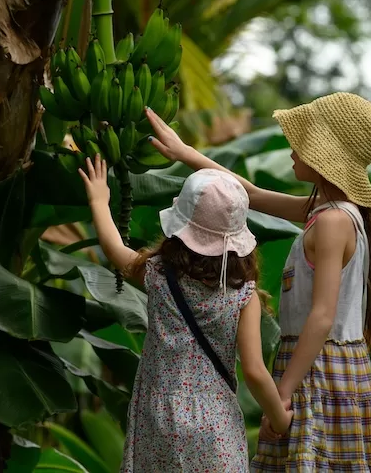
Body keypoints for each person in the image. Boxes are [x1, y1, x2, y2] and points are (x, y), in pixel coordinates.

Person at [143, 91, 371, 472]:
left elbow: (322, 317)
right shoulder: (326, 210)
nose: (292, 147)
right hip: (312, 362)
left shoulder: (332, 221)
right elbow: (253, 195)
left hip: (318, 367)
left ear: (325, 154)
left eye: (302, 139)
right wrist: (187, 154)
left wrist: (283, 392)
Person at [79, 155, 293, 472]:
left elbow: (114, 249)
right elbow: (254, 371)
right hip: (214, 423)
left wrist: (99, 199)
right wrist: (280, 419)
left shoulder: (158, 275)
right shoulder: (244, 297)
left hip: (158, 415)